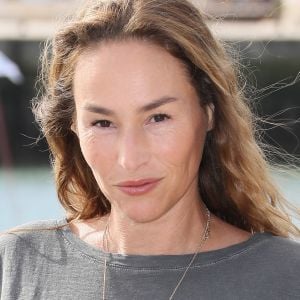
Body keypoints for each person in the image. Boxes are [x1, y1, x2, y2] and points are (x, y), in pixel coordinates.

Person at [1, 0, 300, 299]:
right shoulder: (16, 263)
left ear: (209, 113)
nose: (130, 159)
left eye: (158, 118)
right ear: (73, 127)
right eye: (103, 123)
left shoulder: (287, 276)